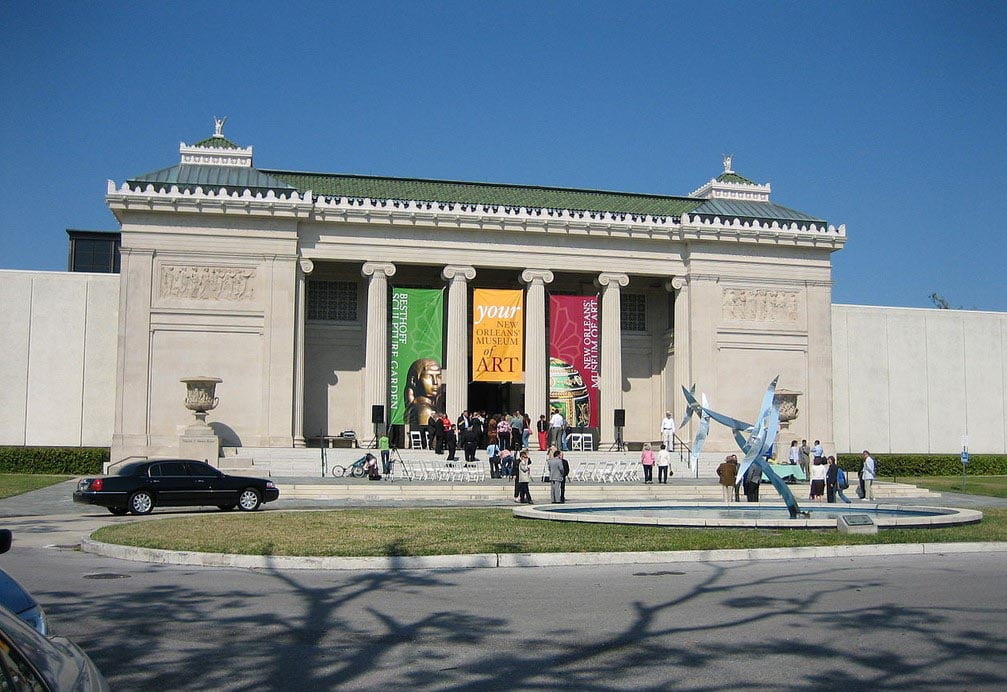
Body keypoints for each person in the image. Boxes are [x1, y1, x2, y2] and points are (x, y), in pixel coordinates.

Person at [405, 358, 444, 430]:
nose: (435, 382)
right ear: (414, 380)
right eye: (429, 376)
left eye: (439, 376)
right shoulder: (425, 410)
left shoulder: (415, 407)